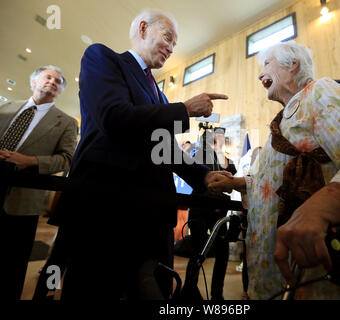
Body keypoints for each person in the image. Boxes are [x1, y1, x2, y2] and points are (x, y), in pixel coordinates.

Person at [55, 9, 230, 300]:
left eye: (175, 44)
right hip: (106, 212)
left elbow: (163, 148)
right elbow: (114, 117)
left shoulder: (158, 95)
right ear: (144, 28)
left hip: (153, 218)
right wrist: (184, 110)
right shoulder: (102, 58)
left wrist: (204, 175)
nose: (172, 48)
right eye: (168, 37)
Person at [209, 40, 340, 299]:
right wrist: (237, 183)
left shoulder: (320, 91)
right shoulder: (284, 119)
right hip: (274, 270)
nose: (259, 74)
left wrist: (319, 210)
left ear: (293, 64)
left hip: (321, 265)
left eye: (267, 63)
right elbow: (271, 183)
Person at [0, 65, 78, 300]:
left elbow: (67, 159)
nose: (53, 82)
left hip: (21, 204)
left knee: (8, 274)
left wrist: (30, 161)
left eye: (58, 81)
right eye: (48, 77)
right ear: (34, 81)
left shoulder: (66, 122)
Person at [184, 129, 237, 300]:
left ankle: (217, 294)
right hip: (199, 206)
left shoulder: (222, 156)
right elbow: (193, 170)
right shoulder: (198, 153)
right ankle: (190, 289)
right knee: (197, 250)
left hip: (219, 208)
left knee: (223, 251)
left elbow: (229, 171)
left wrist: (220, 149)